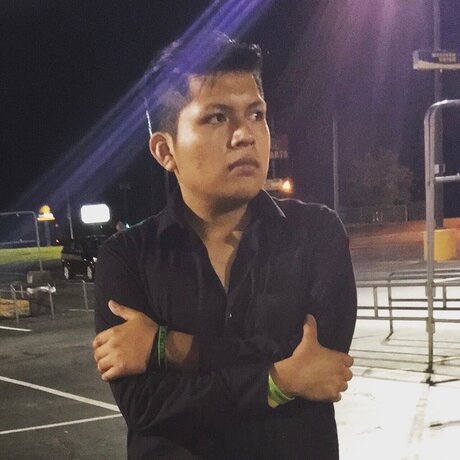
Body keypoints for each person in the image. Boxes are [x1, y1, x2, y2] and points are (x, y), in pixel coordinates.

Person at [93, 35, 357, 459]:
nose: (245, 135)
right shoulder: (126, 257)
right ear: (165, 151)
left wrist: (165, 347)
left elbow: (322, 365)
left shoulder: (316, 233)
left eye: (256, 114)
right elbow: (145, 407)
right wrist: (279, 380)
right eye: (217, 117)